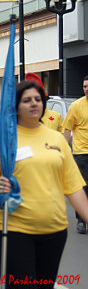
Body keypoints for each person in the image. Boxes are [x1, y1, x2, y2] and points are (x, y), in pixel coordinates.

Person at [0, 81, 88, 288]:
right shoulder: (0, 141)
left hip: (54, 232)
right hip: (12, 231)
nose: (34, 104)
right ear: (16, 106)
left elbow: (73, 187)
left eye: (38, 99)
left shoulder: (57, 139)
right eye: (27, 100)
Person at [63, 75, 88, 234]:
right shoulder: (76, 106)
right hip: (81, 153)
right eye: (85, 86)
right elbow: (67, 128)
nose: (86, 89)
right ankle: (81, 220)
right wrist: (65, 151)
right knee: (83, 187)